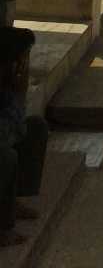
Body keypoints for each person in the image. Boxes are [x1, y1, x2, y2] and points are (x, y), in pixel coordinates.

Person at [0, 27, 48, 247]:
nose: (25, 64)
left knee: (36, 127)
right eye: (23, 58)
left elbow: (18, 127)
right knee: (5, 157)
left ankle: (15, 199)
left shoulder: (8, 83)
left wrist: (20, 88)